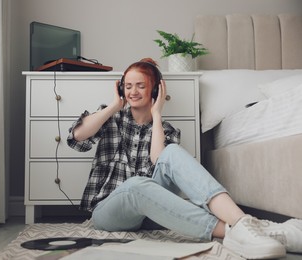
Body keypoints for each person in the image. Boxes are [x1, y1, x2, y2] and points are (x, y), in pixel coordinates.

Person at [67, 58, 302, 259]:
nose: (133, 91)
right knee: (136, 186)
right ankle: (237, 232)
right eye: (127, 86)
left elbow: (158, 158)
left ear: (155, 91)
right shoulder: (109, 118)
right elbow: (77, 137)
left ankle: (244, 225)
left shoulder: (165, 129)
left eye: (140, 85)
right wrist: (114, 105)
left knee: (171, 152)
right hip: (108, 211)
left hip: (150, 215)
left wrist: (156, 115)